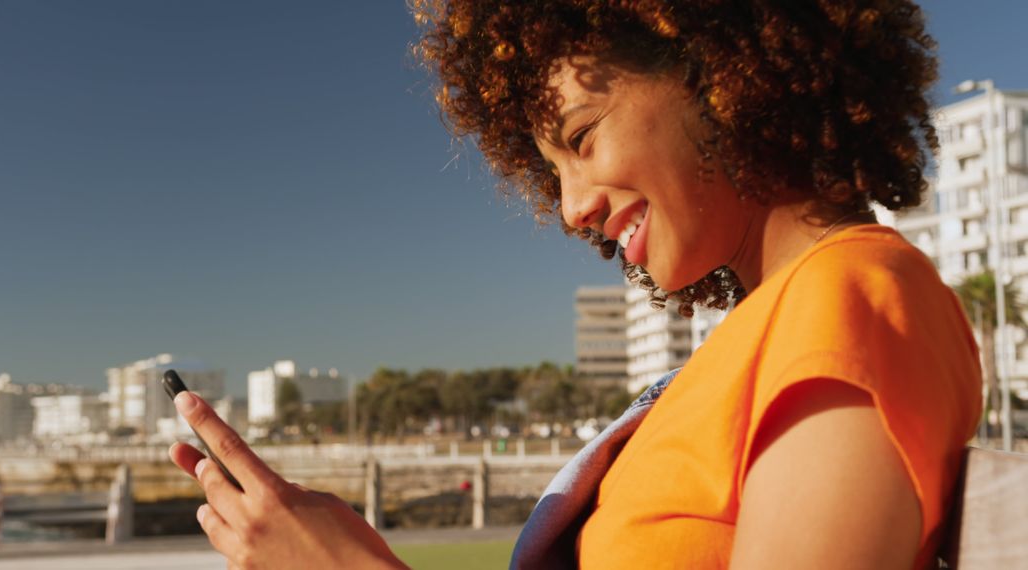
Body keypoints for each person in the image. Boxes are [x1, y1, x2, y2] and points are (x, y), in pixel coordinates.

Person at [168, 1, 983, 568]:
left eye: (582, 138)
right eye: (550, 171)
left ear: (719, 71)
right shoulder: (778, 321)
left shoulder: (850, 295)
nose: (569, 208)